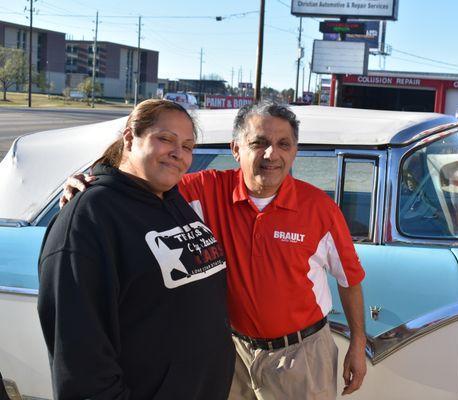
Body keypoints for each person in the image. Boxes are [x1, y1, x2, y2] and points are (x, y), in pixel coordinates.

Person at [63, 101, 367, 399]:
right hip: (232, 355)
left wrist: (357, 343)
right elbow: (143, 177)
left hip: (301, 356)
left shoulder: (320, 208)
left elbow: (349, 279)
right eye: (259, 143)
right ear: (236, 149)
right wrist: (96, 180)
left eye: (284, 144)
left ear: (294, 152)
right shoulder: (204, 190)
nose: (272, 154)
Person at [38, 99, 235, 400]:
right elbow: (81, 360)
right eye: (165, 139)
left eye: (188, 146)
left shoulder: (172, 198)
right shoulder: (89, 219)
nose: (178, 154)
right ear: (130, 138)